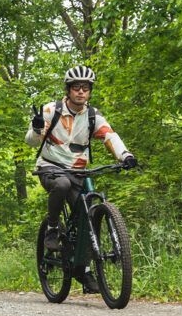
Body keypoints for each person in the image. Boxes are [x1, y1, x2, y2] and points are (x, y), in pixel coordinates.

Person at [25, 65, 137, 293]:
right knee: (62, 184)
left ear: (89, 91)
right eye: (76, 87)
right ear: (68, 89)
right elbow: (31, 142)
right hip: (51, 167)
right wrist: (37, 129)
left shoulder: (93, 116)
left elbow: (110, 136)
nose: (81, 92)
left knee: (91, 213)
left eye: (85, 88)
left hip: (78, 171)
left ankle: (82, 269)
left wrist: (125, 155)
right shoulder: (49, 111)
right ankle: (53, 228)